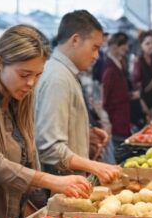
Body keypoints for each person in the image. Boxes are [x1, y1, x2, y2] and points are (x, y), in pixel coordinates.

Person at [0, 25, 91, 218]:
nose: (31, 83)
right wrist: (55, 181)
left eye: (37, 75)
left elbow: (28, 155)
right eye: (24, 74)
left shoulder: (20, 98)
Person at [35, 10, 120, 183]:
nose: (96, 56)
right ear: (75, 40)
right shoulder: (58, 78)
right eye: (94, 48)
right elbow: (50, 148)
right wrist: (94, 166)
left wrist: (84, 132)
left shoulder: (64, 73)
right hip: (59, 187)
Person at [102, 32, 136, 160]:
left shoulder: (119, 63)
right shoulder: (110, 68)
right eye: (123, 47)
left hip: (123, 112)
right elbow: (106, 96)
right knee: (119, 148)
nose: (126, 50)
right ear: (115, 46)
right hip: (115, 114)